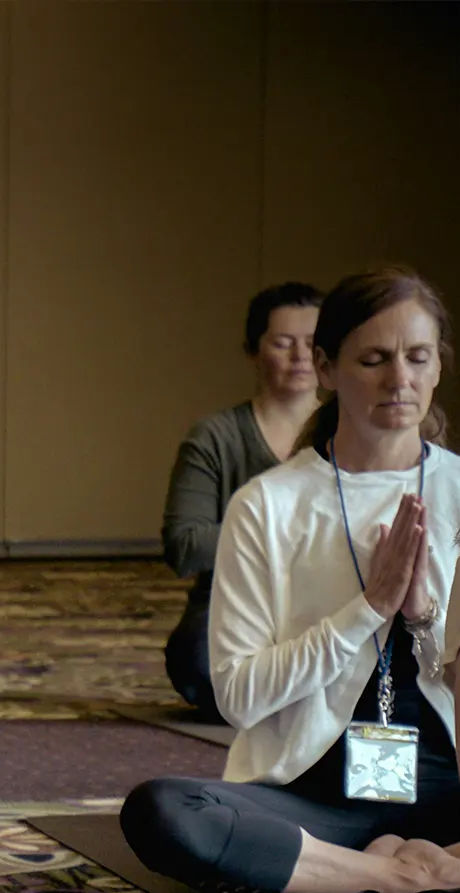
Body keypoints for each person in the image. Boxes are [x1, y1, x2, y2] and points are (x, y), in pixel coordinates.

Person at [121, 268, 460, 893]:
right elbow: (240, 698)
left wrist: (422, 620)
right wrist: (367, 610)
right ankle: (396, 874)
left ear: (438, 365)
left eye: (418, 358)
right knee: (165, 811)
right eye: (374, 360)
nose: (400, 380)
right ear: (327, 368)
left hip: (451, 792)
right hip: (318, 799)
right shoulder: (268, 505)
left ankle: (381, 865)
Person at [160, 282, 323, 721]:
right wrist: (288, 533)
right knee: (198, 660)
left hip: (328, 601)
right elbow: (186, 546)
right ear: (253, 352)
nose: (300, 356)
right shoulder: (215, 438)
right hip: (236, 604)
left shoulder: (352, 432)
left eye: (312, 343)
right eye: (283, 343)